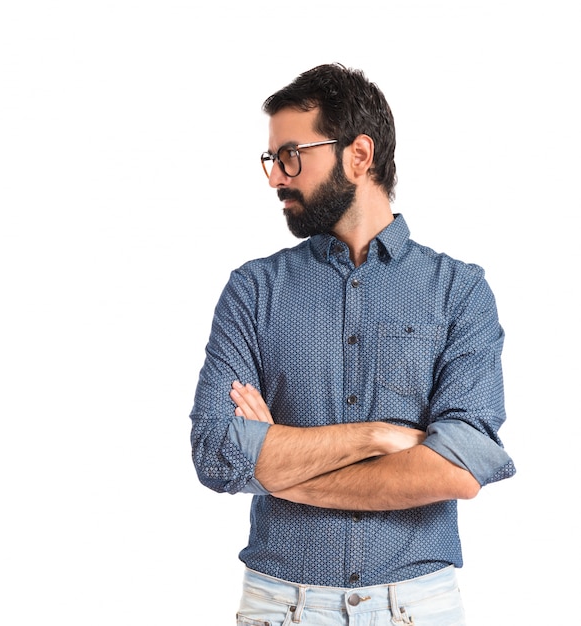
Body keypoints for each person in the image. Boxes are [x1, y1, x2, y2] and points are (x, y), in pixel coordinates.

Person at [190, 63, 515, 625]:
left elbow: (458, 468)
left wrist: (276, 459)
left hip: (416, 607)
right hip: (280, 605)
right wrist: (374, 437)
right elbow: (218, 452)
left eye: (291, 155)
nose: (275, 177)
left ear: (358, 156)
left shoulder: (458, 291)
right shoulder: (254, 290)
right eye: (272, 159)